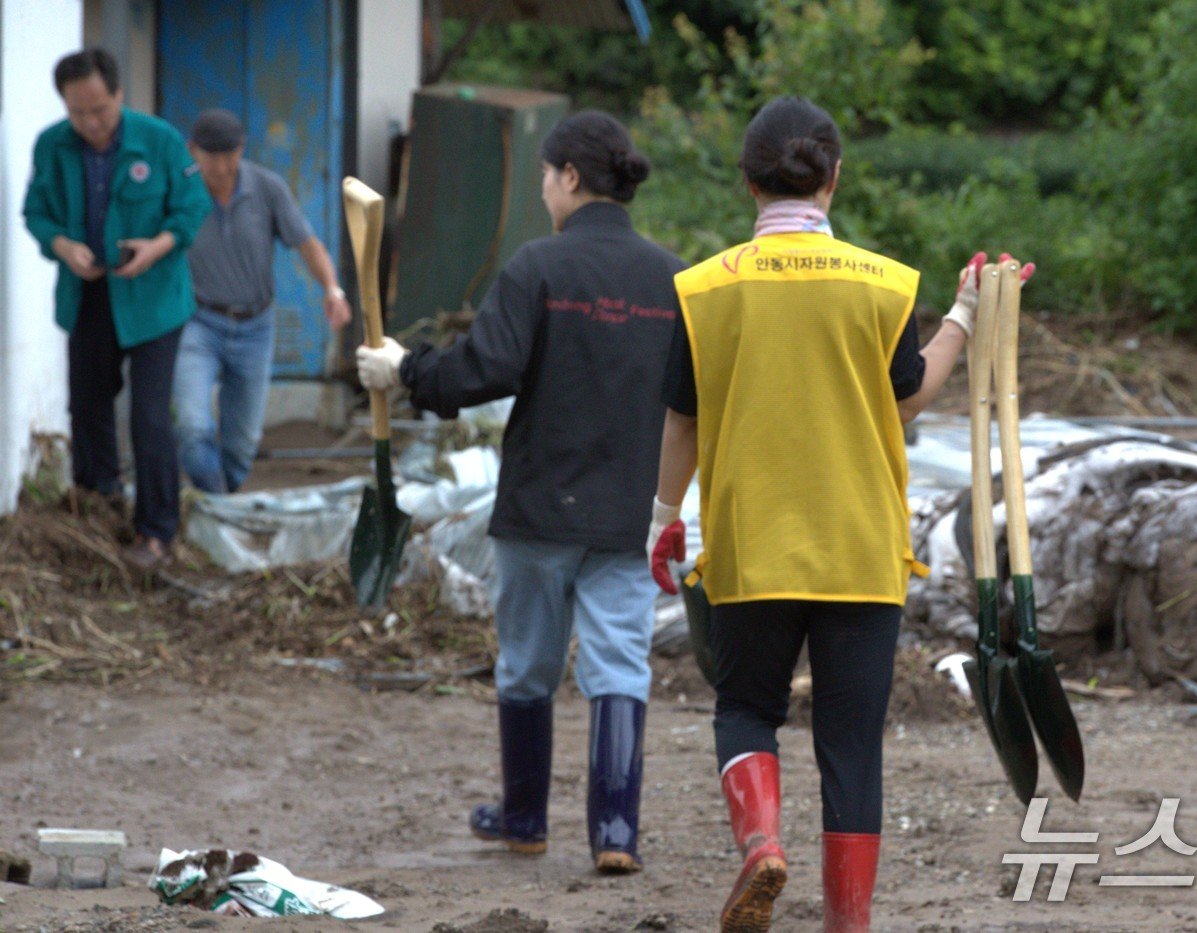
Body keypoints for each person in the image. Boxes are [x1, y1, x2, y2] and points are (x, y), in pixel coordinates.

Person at [647, 96, 1033, 932]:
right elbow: (906, 402)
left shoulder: (705, 288)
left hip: (755, 545)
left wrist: (663, 518)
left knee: (747, 707)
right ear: (834, 176)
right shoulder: (883, 285)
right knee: (851, 743)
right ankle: (848, 921)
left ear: (747, 181)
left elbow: (683, 418)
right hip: (862, 549)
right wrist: (965, 313)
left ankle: (761, 843)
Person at [355, 111, 685, 874]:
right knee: (620, 665)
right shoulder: (672, 278)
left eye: (544, 175)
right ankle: (614, 832)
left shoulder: (537, 267)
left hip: (540, 507)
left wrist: (404, 368)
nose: (543, 190)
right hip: (631, 508)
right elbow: (693, 397)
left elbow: (484, 369)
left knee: (528, 665)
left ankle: (526, 819)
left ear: (570, 176)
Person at [23, 48, 211, 572]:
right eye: (78, 112)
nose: (91, 123)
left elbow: (192, 207)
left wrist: (158, 245)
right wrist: (62, 246)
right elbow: (35, 212)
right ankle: (98, 508)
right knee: (87, 405)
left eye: (100, 110)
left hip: (154, 300)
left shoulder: (161, 140)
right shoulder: (53, 146)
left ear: (119, 95)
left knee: (150, 416)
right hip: (88, 296)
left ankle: (157, 532)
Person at [174, 108, 352, 494]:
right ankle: (217, 502)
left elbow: (307, 244)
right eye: (211, 156)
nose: (221, 167)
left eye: (230, 155)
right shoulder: (181, 190)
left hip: (255, 327)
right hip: (198, 322)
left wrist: (332, 289)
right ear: (192, 151)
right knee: (192, 426)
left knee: (242, 445)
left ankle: (221, 496)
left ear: (242, 149)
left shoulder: (266, 188)